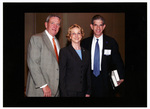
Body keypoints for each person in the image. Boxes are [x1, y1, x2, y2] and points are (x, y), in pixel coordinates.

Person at [81, 15, 125, 97]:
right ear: (91, 26)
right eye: (95, 25)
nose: (98, 28)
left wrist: (121, 76)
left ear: (104, 26)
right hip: (89, 79)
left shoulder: (111, 42)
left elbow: (117, 60)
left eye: (100, 25)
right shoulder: (85, 43)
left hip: (105, 78)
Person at [26, 14, 61, 97]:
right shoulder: (37, 38)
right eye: (52, 23)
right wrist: (44, 85)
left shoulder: (56, 42)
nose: (55, 26)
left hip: (55, 89)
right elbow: (33, 64)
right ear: (46, 24)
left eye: (58, 24)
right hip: (41, 90)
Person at [59, 24, 91, 97]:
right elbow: (62, 76)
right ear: (70, 36)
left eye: (78, 33)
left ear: (82, 35)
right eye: (73, 33)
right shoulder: (64, 52)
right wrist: (64, 94)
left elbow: (88, 73)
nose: (76, 36)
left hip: (83, 92)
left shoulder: (86, 52)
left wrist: (88, 91)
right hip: (69, 92)